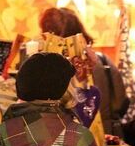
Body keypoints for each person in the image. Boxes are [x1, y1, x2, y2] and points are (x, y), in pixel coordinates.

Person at [40, 7, 129, 135]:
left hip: (70, 141)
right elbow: (121, 102)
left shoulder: (55, 67)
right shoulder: (104, 61)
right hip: (106, 136)